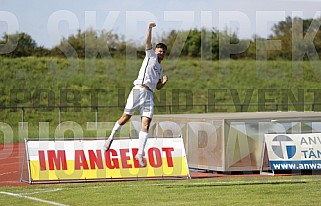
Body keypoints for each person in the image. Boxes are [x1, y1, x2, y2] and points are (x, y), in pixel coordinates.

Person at [103, 22, 168, 167]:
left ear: (165, 54)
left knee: (146, 123)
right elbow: (147, 42)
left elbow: (158, 87)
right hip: (139, 90)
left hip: (149, 95)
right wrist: (149, 28)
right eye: (159, 50)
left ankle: (139, 154)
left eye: (162, 51)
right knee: (125, 117)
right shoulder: (150, 56)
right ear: (155, 51)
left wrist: (164, 82)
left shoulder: (160, 67)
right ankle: (110, 139)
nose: (160, 53)